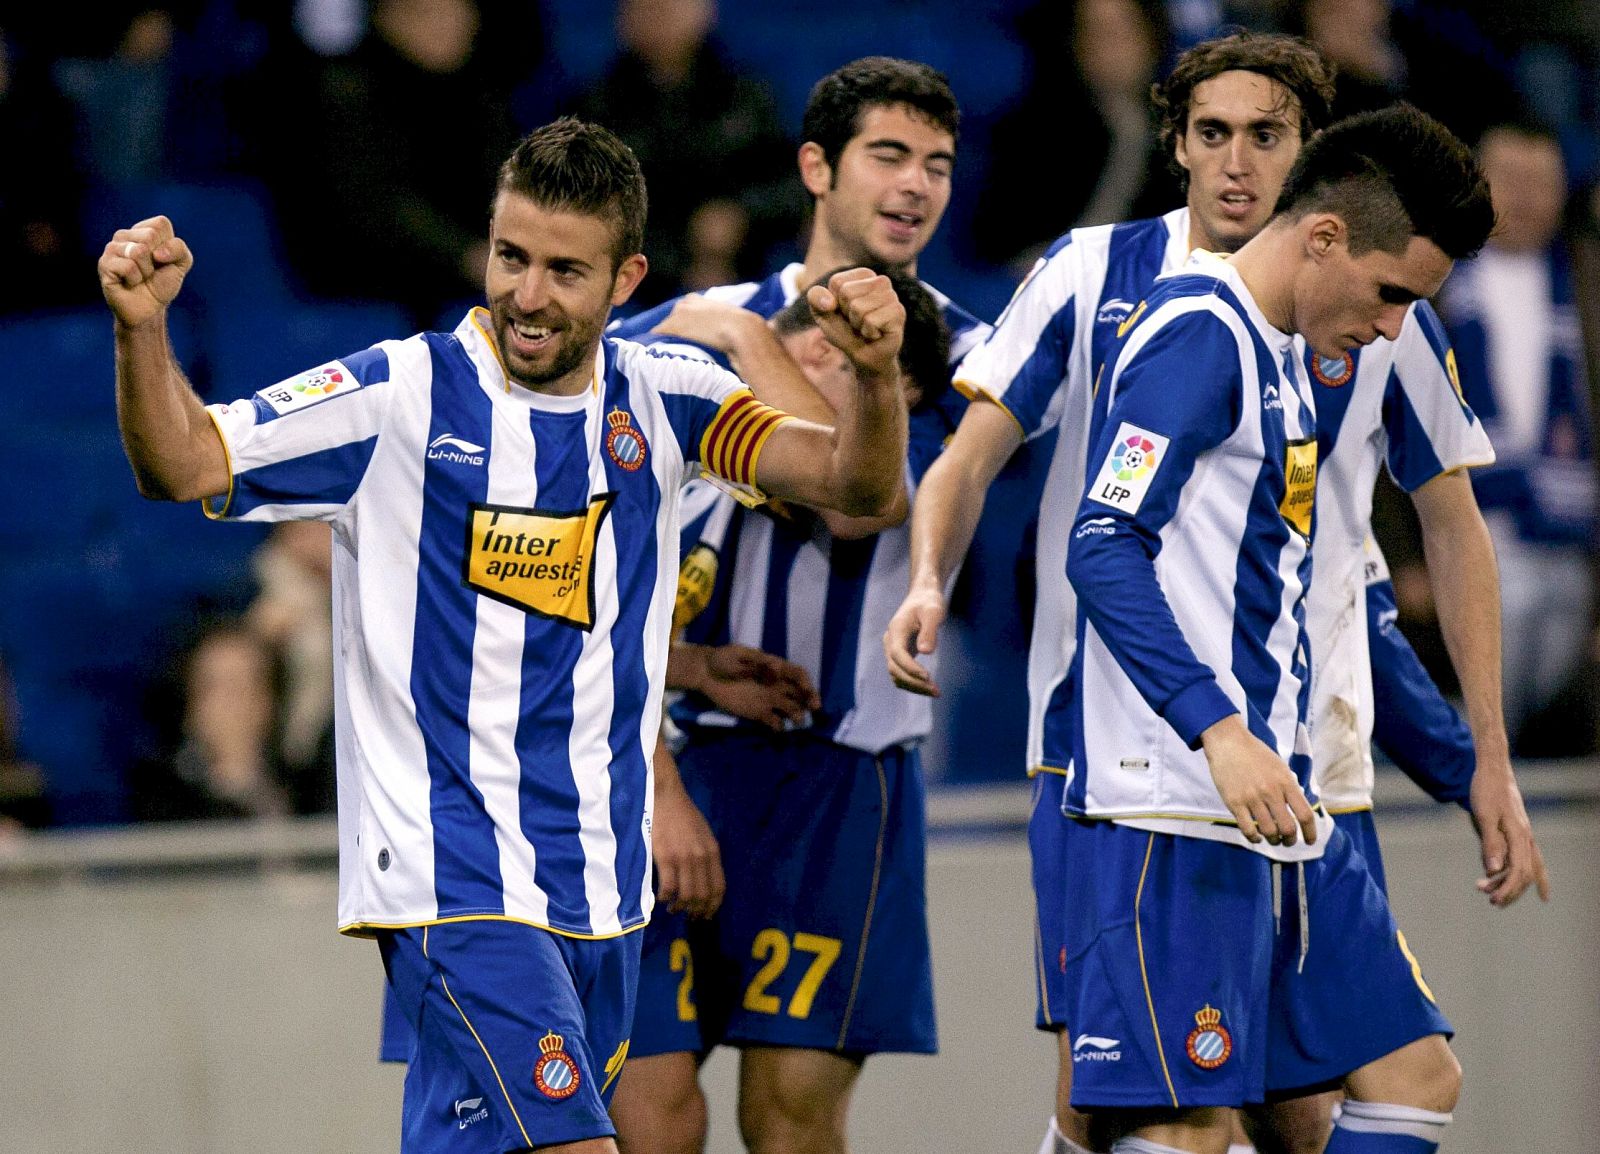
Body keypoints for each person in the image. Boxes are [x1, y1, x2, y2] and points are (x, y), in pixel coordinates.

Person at [98, 116, 911, 1154]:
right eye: (511, 256)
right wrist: (140, 330)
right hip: (454, 880)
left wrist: (877, 375)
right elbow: (186, 461)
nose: (527, 294)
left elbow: (856, 482)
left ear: (626, 280)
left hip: (606, 892)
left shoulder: (669, 397)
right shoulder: (399, 393)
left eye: (564, 270)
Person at [884, 32, 1547, 1154]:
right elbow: (1071, 517)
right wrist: (928, 581)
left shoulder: (1336, 319)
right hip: (1144, 762)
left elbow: (1364, 565)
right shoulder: (1149, 301)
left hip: (1291, 764)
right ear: (1176, 145)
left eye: (1266, 135)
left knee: (1341, 1093)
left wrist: (1469, 754)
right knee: (1143, 1106)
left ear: (1308, 156)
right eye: (1212, 133)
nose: (1237, 161)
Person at [1054, 103, 1495, 1154]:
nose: (1394, 328)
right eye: (1391, 294)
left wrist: (1468, 764)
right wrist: (1217, 727)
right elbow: (1101, 541)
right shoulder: (1197, 335)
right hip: (1177, 800)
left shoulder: (1280, 349)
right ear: (1325, 237)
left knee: (1413, 1074)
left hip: (1274, 802)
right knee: (1184, 1127)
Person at [605, 56, 990, 1154]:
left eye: (938, 166)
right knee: (651, 1123)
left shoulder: (968, 354)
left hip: (838, 783)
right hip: (669, 757)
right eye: (888, 155)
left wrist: (751, 347)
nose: (914, 185)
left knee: (791, 1119)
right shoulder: (691, 323)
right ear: (817, 167)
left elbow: (866, 505)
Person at [1436, 120, 1597, 748]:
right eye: (1512, 179)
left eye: (1543, 182)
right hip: (1463, 523)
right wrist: (1404, 556)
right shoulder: (1433, 279)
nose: (1528, 197)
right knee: (1472, 723)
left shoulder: (1585, 280)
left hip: (1570, 534)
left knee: (1547, 726)